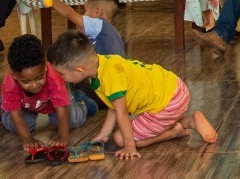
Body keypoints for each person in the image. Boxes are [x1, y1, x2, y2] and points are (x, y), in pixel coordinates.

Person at [50, 31, 218, 159]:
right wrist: (103, 133)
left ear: (80, 70)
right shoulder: (103, 63)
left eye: (62, 74)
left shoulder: (109, 78)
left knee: (120, 138)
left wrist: (130, 146)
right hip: (174, 88)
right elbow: (113, 107)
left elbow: (121, 112)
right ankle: (185, 121)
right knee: (117, 133)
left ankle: (179, 128)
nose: (61, 78)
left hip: (168, 103)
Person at [0, 34, 97, 151]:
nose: (34, 85)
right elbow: (16, 114)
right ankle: (3, 106)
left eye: (39, 78)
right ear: (13, 74)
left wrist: (62, 137)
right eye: (26, 81)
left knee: (71, 121)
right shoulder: (10, 82)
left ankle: (81, 102)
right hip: (26, 106)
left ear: (45, 67)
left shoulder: (54, 77)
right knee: (15, 125)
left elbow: (61, 109)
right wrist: (28, 139)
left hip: (52, 105)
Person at [37, 0, 126, 56]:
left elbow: (69, 14)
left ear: (97, 12)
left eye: (85, 10)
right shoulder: (113, 33)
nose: (83, 15)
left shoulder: (99, 24)